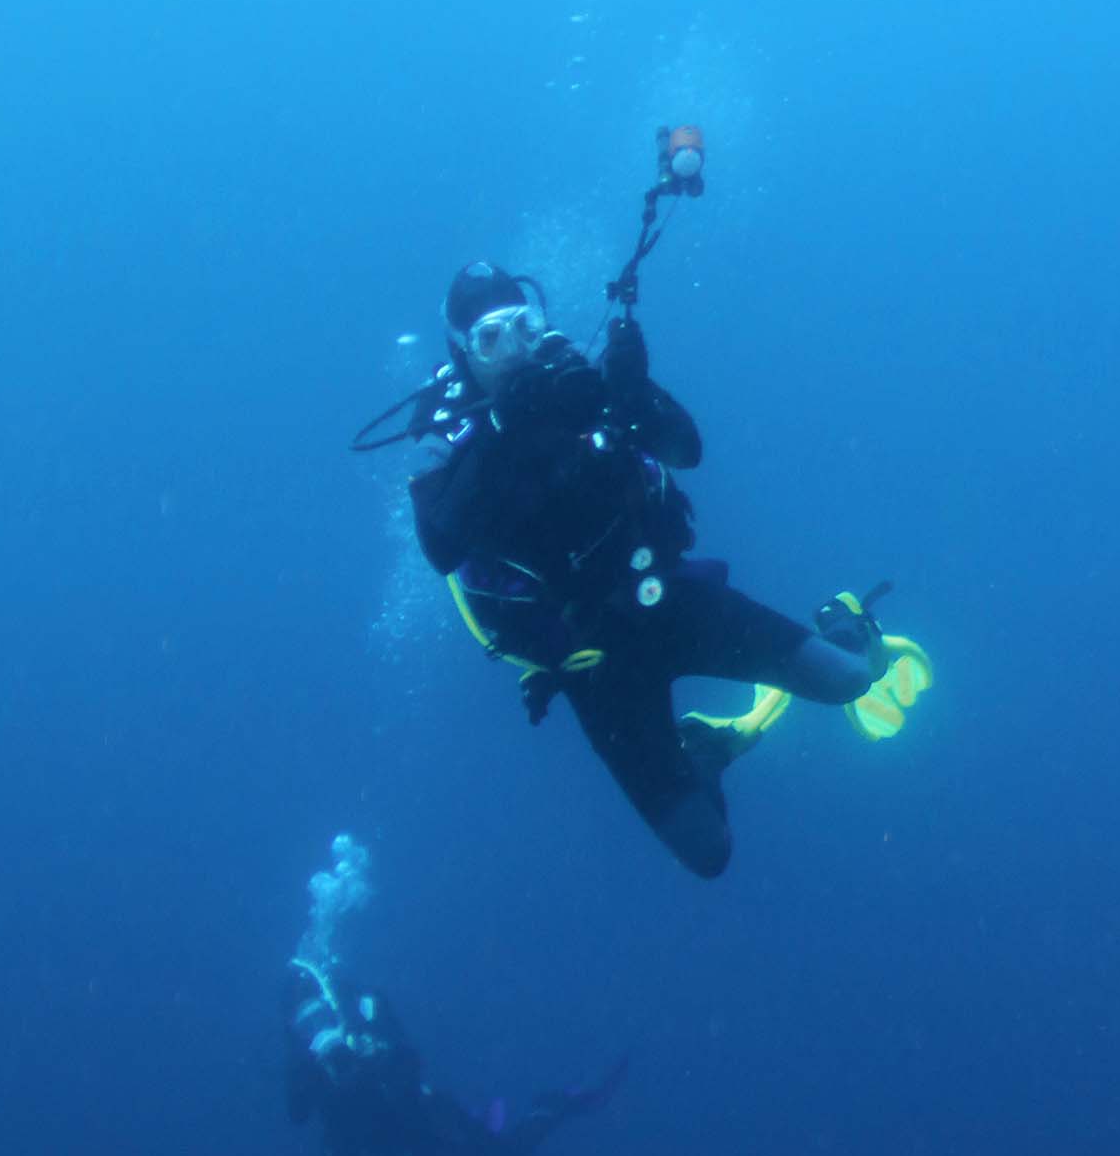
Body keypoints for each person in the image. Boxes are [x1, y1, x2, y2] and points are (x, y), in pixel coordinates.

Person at [364, 133, 930, 876]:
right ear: (461, 348)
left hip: (669, 597)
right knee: (709, 853)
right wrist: (504, 423)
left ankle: (850, 620)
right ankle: (708, 747)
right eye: (491, 337)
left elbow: (687, 450)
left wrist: (629, 391)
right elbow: (442, 546)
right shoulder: (444, 432)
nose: (515, 348)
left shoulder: (573, 376)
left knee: (851, 680)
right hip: (593, 662)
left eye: (524, 326)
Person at [281, 837, 616, 1156]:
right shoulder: (310, 1071)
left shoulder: (367, 1017)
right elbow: (328, 1146)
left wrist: (375, 1056)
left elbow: (411, 1060)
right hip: (396, 1147)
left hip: (423, 1117)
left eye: (319, 1019)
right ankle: (480, 1122)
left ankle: (556, 1104)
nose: (318, 1034)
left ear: (335, 1007)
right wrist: (310, 1087)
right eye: (306, 1027)